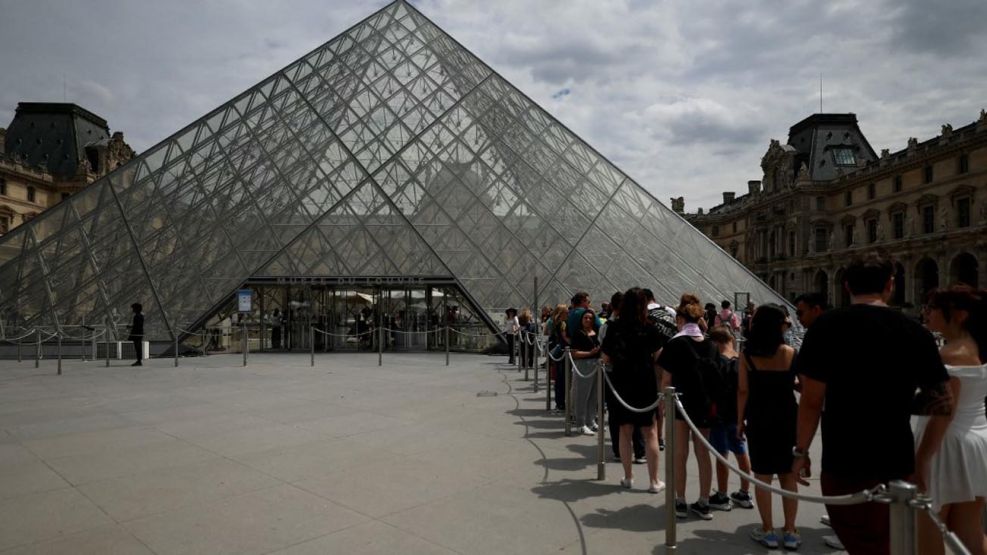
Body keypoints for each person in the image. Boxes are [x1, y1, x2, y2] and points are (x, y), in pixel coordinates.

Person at [792, 253, 952, 555]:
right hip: (896, 458)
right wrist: (921, 457)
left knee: (858, 542)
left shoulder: (826, 327)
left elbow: (811, 401)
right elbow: (943, 402)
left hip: (843, 459)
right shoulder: (916, 332)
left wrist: (801, 452)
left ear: (848, 285)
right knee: (890, 544)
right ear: (890, 285)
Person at [915, 285, 987, 555]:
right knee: (969, 530)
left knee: (929, 524)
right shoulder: (976, 347)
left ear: (958, 315)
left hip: (945, 445)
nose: (927, 312)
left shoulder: (950, 354)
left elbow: (943, 414)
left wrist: (921, 459)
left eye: (933, 307)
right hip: (976, 439)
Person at [737, 304, 800, 550]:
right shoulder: (791, 353)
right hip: (787, 417)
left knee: (762, 475)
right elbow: (802, 386)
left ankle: (768, 530)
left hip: (759, 417)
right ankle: (791, 531)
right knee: (787, 475)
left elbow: (743, 390)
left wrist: (739, 421)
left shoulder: (747, 355)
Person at [659, 293, 718, 520]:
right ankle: (704, 502)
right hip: (704, 403)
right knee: (703, 453)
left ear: (681, 320)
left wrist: (663, 406)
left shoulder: (675, 343)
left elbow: (666, 380)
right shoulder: (711, 344)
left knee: (680, 453)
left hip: (680, 403)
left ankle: (680, 500)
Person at [601, 287, 665, 493]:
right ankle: (654, 481)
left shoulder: (614, 327)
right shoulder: (650, 328)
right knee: (650, 433)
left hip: (621, 383)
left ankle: (628, 477)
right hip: (645, 382)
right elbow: (658, 358)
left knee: (625, 431)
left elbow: (605, 358)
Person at [706, 326, 754, 512]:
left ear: (716, 342)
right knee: (741, 452)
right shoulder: (741, 359)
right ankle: (744, 491)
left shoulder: (719, 361)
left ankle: (722, 495)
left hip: (720, 414)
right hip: (738, 413)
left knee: (721, 454)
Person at [601, 291, 646, 464]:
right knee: (639, 415)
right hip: (640, 377)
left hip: (615, 375)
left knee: (616, 416)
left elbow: (604, 355)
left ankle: (620, 451)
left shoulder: (609, 327)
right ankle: (640, 451)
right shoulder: (645, 326)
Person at [571, 309, 601, 435]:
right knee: (582, 395)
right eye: (585, 318)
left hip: (596, 364)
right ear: (581, 320)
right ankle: (580, 423)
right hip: (583, 365)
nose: (588, 320)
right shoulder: (578, 333)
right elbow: (574, 353)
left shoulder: (596, 332)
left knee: (594, 395)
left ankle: (591, 420)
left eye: (590, 318)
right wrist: (590, 353)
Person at [546, 304, 569, 413]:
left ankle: (559, 402)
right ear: (562, 313)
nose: (569, 314)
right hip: (563, 352)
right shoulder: (563, 324)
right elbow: (565, 338)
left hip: (557, 351)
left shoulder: (554, 322)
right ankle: (561, 403)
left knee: (558, 378)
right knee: (562, 378)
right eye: (567, 312)